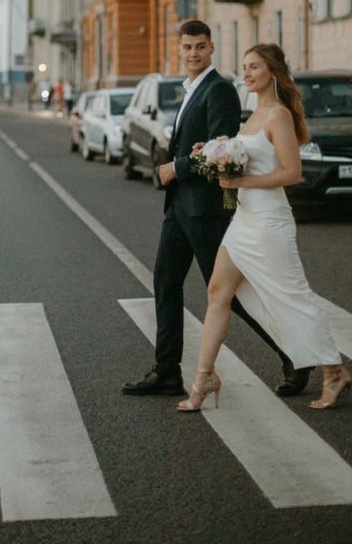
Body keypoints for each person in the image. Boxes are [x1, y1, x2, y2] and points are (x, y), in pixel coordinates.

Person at [122, 20, 303, 398]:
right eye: (187, 47)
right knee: (165, 283)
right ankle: (166, 371)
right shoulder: (190, 89)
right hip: (179, 209)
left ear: (211, 49)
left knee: (227, 295)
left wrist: (177, 167)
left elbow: (220, 147)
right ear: (179, 48)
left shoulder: (218, 90)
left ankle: (294, 357)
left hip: (205, 209)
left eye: (200, 47)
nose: (193, 54)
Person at [177, 44, 351, 413]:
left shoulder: (278, 116)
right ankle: (204, 378)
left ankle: (334, 371)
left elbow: (292, 173)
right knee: (217, 292)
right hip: (244, 220)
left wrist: (239, 184)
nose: (247, 73)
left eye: (254, 67)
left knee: (294, 297)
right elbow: (248, 161)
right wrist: (212, 154)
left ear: (272, 71)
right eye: (244, 67)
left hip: (270, 222)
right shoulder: (253, 116)